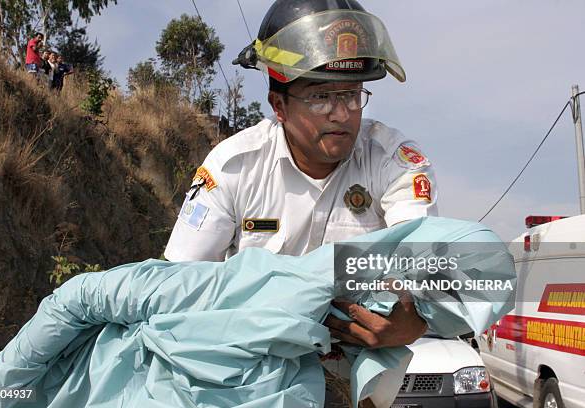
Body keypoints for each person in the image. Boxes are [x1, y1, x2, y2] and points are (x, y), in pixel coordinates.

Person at [165, 0, 434, 354]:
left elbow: (424, 267)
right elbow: (181, 286)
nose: (341, 114)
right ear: (279, 106)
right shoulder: (234, 166)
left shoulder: (392, 161)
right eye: (321, 96)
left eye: (352, 95)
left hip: (357, 384)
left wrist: (415, 322)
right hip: (252, 374)